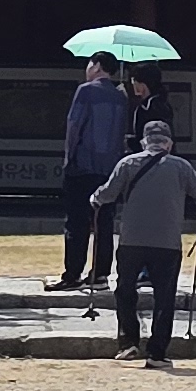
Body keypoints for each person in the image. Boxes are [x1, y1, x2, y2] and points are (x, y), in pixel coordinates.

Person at [90, 121, 196, 368]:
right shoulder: (181, 166)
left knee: (125, 290)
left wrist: (94, 198)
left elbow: (107, 194)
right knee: (164, 297)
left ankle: (128, 342)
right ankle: (157, 352)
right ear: (169, 144)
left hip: (132, 240)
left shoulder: (127, 163)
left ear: (144, 142)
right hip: (167, 242)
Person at [51, 54, 129, 291]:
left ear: (96, 66)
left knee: (77, 222)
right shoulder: (121, 96)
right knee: (104, 221)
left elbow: (74, 126)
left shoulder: (85, 91)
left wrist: (68, 159)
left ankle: (72, 274)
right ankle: (101, 274)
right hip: (110, 168)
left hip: (83, 165)